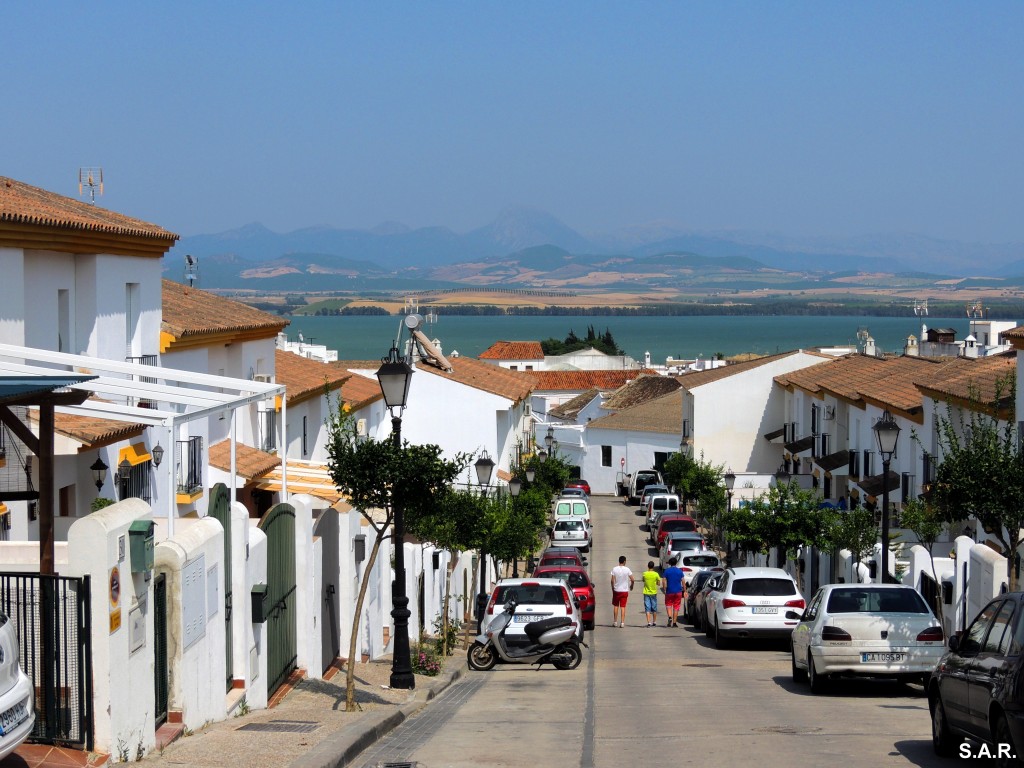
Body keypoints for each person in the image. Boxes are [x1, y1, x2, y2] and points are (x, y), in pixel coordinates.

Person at [609, 555, 635, 628]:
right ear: (624, 561)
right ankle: (622, 622)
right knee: (623, 606)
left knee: (616, 605)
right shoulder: (627, 569)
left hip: (616, 590)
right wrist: (631, 585)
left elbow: (612, 580)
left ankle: (615, 621)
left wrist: (612, 587)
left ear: (619, 561)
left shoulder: (614, 569)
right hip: (624, 590)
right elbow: (632, 579)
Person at [661, 556, 684, 627]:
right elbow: (683, 581)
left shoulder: (667, 571)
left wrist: (664, 589)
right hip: (678, 591)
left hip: (669, 591)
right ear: (676, 563)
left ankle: (670, 617)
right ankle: (674, 623)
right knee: (676, 607)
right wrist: (685, 590)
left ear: (670, 563)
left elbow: (664, 580)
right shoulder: (680, 571)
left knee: (668, 605)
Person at [642, 561, 660, 627]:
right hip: (653, 592)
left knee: (647, 608)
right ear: (653, 566)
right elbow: (658, 583)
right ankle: (654, 621)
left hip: (646, 592)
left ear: (648, 566)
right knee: (654, 608)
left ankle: (649, 622)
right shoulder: (656, 574)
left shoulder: (644, 574)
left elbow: (643, 580)